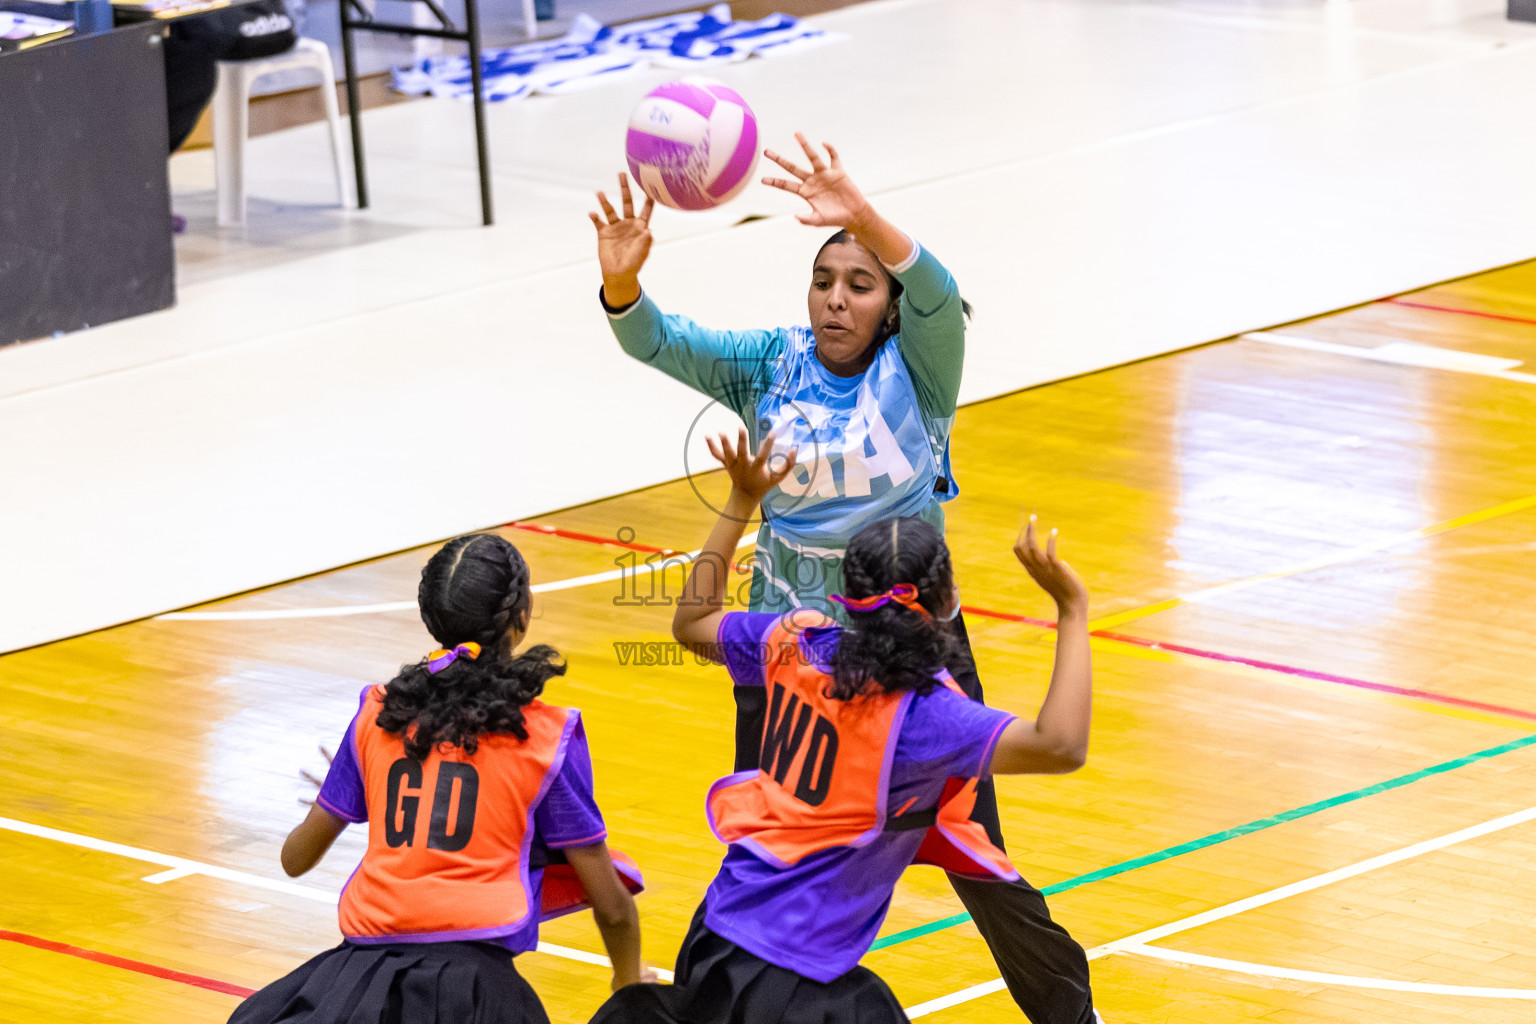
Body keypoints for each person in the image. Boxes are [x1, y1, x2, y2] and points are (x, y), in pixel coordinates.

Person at [592, 137, 1099, 1022]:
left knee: (978, 853)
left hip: (910, 654)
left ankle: (1068, 1013)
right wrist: (624, 287)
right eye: (825, 280)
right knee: (761, 837)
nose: (836, 298)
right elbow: (659, 342)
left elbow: (937, 290)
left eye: (859, 284)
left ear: (892, 309)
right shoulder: (768, 364)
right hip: (788, 650)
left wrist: (862, 212)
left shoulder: (922, 369)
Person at [590, 432, 1094, 1023]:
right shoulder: (926, 716)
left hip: (716, 935)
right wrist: (1071, 610)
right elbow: (1060, 745)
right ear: (950, 600)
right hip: (796, 978)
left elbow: (692, 620)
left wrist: (741, 500)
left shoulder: (787, 642)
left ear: (845, 594)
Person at [228, 533, 651, 1024]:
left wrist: (342, 788)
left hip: (361, 981)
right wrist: (628, 984)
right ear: (522, 613)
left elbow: (295, 859)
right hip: (472, 991)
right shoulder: (546, 736)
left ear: (431, 618)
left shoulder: (378, 716)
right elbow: (613, 908)